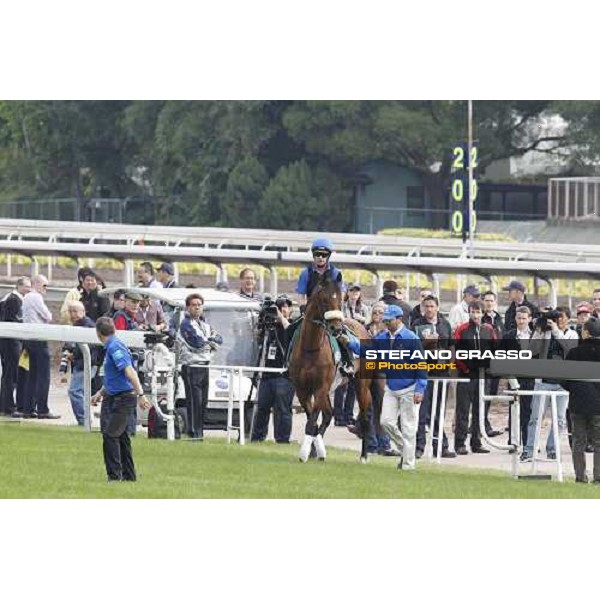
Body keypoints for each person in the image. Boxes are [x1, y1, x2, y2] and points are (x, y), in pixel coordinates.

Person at [91, 317, 150, 482]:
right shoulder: (112, 345)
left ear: (98, 333)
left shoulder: (115, 347)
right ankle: (129, 476)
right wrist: (99, 393)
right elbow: (114, 378)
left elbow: (129, 372)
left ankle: (114, 476)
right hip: (116, 396)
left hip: (124, 399)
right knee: (122, 437)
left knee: (110, 435)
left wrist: (140, 394)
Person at [371, 304, 427, 470]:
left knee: (409, 428)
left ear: (399, 319)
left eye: (389, 320)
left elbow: (421, 365)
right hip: (391, 387)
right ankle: (406, 451)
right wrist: (350, 342)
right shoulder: (382, 338)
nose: (387, 323)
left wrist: (420, 389)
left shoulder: (411, 338)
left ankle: (408, 466)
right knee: (386, 422)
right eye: (385, 320)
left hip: (410, 388)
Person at [521, 306, 578, 462]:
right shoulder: (545, 331)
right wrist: (539, 330)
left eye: (561, 317)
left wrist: (556, 332)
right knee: (535, 417)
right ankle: (529, 449)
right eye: (556, 317)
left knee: (559, 419)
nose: (558, 320)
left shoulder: (572, 333)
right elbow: (532, 350)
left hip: (563, 382)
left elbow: (571, 349)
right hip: (543, 380)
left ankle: (552, 448)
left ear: (568, 319)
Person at [411, 294, 456, 459]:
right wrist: (426, 342)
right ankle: (419, 446)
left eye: (432, 306)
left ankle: (441, 446)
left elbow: (451, 346)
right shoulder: (417, 325)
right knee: (422, 413)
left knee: (439, 411)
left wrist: (450, 366)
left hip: (442, 372)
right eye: (426, 306)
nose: (429, 309)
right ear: (423, 308)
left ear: (437, 307)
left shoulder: (445, 324)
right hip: (424, 373)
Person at [177, 293, 222, 439]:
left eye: (199, 305)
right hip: (192, 366)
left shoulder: (205, 325)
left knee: (203, 402)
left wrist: (208, 341)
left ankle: (199, 432)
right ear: (188, 307)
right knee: (194, 401)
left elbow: (219, 339)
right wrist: (210, 342)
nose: (197, 307)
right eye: (194, 305)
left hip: (205, 366)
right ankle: (193, 432)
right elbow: (196, 343)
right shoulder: (185, 324)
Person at [454, 301, 496, 455]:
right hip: (466, 375)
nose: (475, 315)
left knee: (480, 410)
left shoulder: (488, 330)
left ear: (482, 313)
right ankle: (460, 442)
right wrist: (464, 368)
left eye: (478, 312)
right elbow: (456, 352)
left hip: (483, 376)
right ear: (469, 312)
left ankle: (476, 442)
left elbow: (494, 350)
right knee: (463, 410)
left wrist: (490, 368)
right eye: (473, 311)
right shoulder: (462, 329)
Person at [251, 295, 295, 443]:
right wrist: (263, 320)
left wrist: (280, 316)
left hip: (284, 376)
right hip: (267, 375)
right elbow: (257, 339)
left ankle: (282, 440)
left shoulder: (293, 325)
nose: (283, 309)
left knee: (282, 410)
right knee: (262, 408)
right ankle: (257, 438)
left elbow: (289, 329)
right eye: (280, 307)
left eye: (286, 307)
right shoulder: (269, 327)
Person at [563, 319, 600, 483]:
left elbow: (563, 379)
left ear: (586, 332)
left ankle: (580, 476)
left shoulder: (574, 353)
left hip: (578, 404)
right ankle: (598, 477)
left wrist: (574, 390)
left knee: (578, 441)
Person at [21, 275, 60, 419]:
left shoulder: (26, 297)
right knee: (44, 376)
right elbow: (48, 316)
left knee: (32, 375)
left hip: (29, 339)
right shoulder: (35, 297)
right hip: (38, 338)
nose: (46, 289)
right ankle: (43, 409)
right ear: (36, 283)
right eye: (44, 285)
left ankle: (28, 409)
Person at [502, 306, 535, 449]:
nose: (521, 321)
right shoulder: (509, 335)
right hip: (514, 377)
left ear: (529, 319)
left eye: (524, 318)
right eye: (519, 318)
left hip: (530, 377)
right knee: (514, 409)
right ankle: (514, 441)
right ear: (515, 319)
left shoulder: (535, 335)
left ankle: (528, 442)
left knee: (528, 410)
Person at [59, 301, 96, 426]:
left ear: (83, 312)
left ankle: (83, 420)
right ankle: (85, 419)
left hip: (86, 364)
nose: (73, 314)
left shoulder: (87, 326)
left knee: (75, 391)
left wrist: (74, 355)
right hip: (80, 364)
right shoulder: (76, 325)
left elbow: (90, 346)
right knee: (81, 393)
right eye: (71, 311)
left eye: (75, 311)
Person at [0, 276, 31, 416]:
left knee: (8, 374)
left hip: (7, 341)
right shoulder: (14, 299)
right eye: (27, 286)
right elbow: (11, 320)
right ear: (19, 286)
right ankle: (8, 407)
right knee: (11, 374)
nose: (29, 289)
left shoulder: (8, 298)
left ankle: (4, 405)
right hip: (11, 342)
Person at [482, 290, 504, 437]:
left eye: (491, 300)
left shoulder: (498, 319)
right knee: (484, 393)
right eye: (487, 300)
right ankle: (481, 423)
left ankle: (483, 421)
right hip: (485, 362)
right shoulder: (481, 319)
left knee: (492, 393)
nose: (489, 303)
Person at [295, 238, 343, 305]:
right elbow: (301, 295)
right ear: (313, 255)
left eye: (324, 255)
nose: (320, 257)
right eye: (317, 254)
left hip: (330, 307)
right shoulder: (306, 273)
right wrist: (303, 308)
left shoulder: (335, 273)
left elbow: (341, 293)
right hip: (311, 307)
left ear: (328, 256)